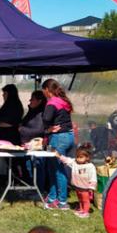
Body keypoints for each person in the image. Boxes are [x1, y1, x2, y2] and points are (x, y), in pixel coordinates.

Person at [41, 78, 75, 210]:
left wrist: (47, 129)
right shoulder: (63, 101)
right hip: (68, 136)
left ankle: (62, 202)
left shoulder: (52, 102)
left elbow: (46, 119)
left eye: (43, 91)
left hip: (59, 138)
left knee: (58, 170)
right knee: (54, 168)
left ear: (47, 90)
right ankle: (52, 197)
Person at [54, 143, 97, 218]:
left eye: (81, 157)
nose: (78, 159)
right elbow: (67, 160)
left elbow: (93, 177)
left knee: (85, 200)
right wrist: (59, 156)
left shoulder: (90, 166)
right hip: (77, 186)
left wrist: (91, 188)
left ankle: (86, 212)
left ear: (87, 158)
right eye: (77, 157)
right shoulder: (74, 162)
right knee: (80, 199)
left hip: (85, 187)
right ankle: (81, 209)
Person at [19, 90, 48, 192]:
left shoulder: (41, 113)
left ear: (39, 101)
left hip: (37, 146)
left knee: (38, 168)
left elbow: (39, 130)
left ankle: (39, 190)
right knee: (29, 167)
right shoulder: (32, 112)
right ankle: (31, 188)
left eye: (32, 99)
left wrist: (22, 130)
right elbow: (24, 122)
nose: (30, 101)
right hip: (27, 145)